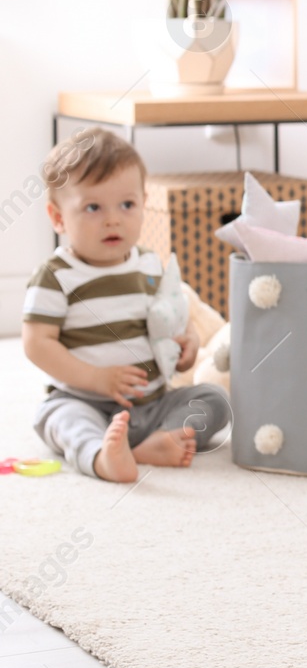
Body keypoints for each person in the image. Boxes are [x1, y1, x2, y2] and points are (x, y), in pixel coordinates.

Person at [24, 129, 231, 482]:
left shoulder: (149, 264)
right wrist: (95, 379)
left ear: (143, 203)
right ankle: (102, 457)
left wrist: (188, 343)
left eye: (127, 205)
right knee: (63, 421)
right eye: (93, 207)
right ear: (58, 218)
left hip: (151, 404)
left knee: (214, 399)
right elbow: (35, 344)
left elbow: (174, 318)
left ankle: (157, 441)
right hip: (84, 401)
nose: (113, 219)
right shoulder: (56, 276)